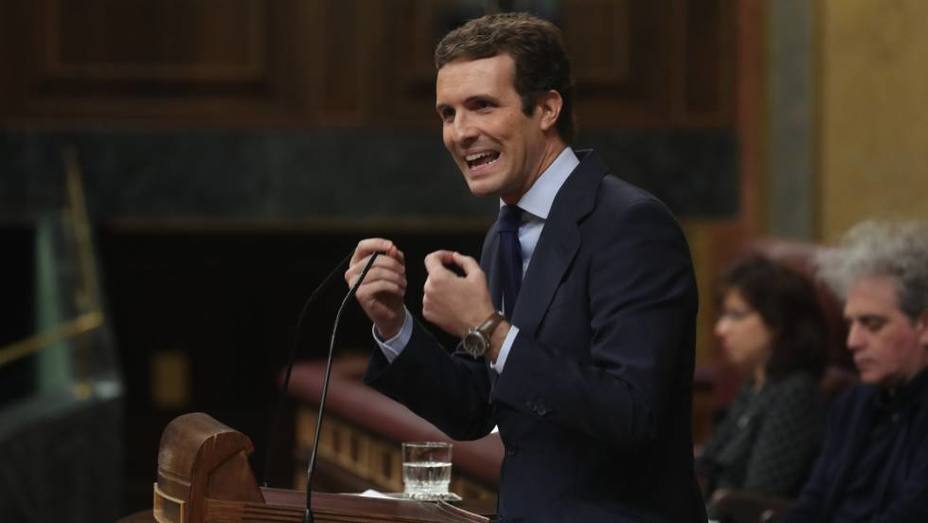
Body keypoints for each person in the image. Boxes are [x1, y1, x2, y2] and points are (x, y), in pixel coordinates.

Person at [345, 13, 705, 522]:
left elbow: (631, 414)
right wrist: (393, 323)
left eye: (482, 106)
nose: (460, 133)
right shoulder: (506, 232)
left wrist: (489, 330)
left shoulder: (631, 224)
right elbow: (473, 409)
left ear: (547, 109)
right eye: (447, 114)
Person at [781, 220, 928, 522]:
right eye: (850, 324)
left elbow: (910, 514)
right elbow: (813, 503)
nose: (852, 342)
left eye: (872, 325)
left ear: (924, 326)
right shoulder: (851, 404)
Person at [697, 255, 826, 510]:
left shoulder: (796, 393)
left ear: (777, 322)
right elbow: (709, 461)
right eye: (723, 316)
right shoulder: (754, 386)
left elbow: (755, 499)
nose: (721, 329)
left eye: (736, 315)